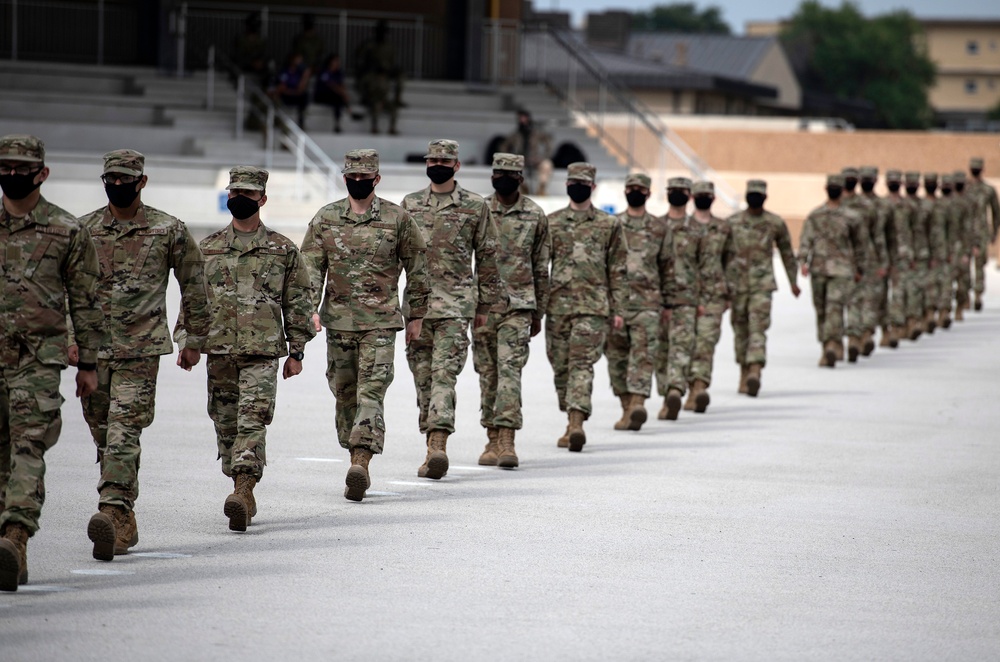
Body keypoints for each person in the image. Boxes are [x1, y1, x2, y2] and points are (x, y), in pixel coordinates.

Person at [75, 149, 210, 560]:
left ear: (142, 182)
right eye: (110, 180)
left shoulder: (168, 230)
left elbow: (195, 283)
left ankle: (113, 511)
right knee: (102, 433)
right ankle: (125, 514)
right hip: (94, 352)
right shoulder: (83, 230)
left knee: (122, 432)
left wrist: (194, 338)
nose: (117, 187)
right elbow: (68, 291)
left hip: (140, 350)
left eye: (125, 180)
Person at [176, 166, 316, 532]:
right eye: (234, 192)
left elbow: (298, 301)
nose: (239, 199)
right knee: (225, 426)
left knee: (252, 421)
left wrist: (297, 351)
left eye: (248, 194)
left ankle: (243, 488)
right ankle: (238, 481)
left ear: (262, 199)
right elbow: (192, 300)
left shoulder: (283, 250)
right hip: (219, 352)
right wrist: (187, 342)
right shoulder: (207, 249)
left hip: (262, 353)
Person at [0, 134, 104, 591]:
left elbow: (86, 301)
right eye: (5, 166)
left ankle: (15, 538)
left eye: (22, 168)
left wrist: (90, 363)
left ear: (42, 174)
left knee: (28, 448)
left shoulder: (67, 230)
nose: (12, 175)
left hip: (37, 360)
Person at [299, 150, 428, 502]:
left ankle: (361, 461)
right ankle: (353, 448)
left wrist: (415, 314)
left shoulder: (397, 219)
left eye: (365, 175)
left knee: (371, 392)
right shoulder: (326, 218)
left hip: (381, 323)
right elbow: (310, 267)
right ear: (345, 178)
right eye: (353, 175)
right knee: (344, 395)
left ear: (376, 178)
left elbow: (418, 267)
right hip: (338, 322)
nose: (359, 181)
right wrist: (309, 309)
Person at [401, 140, 500, 479]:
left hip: (457, 307)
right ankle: (431, 444)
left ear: (457, 166)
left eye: (444, 160)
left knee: (444, 374)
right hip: (417, 309)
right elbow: (395, 257)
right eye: (433, 159)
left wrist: (485, 304)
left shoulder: (474, 205)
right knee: (423, 378)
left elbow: (487, 256)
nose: (437, 164)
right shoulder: (410, 204)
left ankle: (438, 445)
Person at [472, 153, 549, 467]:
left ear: (520, 178)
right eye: (498, 172)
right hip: (483, 307)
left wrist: (538, 312)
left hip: (519, 306)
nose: (503, 178)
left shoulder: (534, 214)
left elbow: (541, 268)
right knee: (487, 374)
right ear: (492, 176)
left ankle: (507, 441)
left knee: (510, 373)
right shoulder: (479, 210)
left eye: (509, 173)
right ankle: (491, 439)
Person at [546, 162, 627, 451]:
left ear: (592, 187)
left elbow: (618, 269)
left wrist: (617, 309)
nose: (577, 186)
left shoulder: (609, 225)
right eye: (572, 182)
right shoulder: (552, 222)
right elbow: (540, 266)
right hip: (557, 307)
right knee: (560, 367)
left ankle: (577, 422)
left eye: (583, 182)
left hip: (593, 308)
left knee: (582, 365)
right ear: (567, 185)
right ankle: (570, 417)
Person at [606, 173, 669, 430]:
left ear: (648, 194)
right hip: (616, 304)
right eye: (631, 188)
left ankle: (637, 404)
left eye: (640, 189)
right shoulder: (612, 224)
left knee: (643, 357)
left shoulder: (658, 229)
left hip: (648, 304)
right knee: (617, 358)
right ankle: (625, 407)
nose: (635, 192)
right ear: (624, 192)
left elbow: (669, 268)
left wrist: (670, 305)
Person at [725, 180, 799, 395]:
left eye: (759, 194)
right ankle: (743, 371)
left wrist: (793, 281)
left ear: (765, 197)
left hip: (762, 285)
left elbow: (786, 252)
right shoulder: (732, 222)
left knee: (758, 328)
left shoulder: (774, 223)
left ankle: (755, 371)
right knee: (740, 330)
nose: (755, 198)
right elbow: (721, 254)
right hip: (737, 285)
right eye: (752, 194)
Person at [657, 177, 711, 421]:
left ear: (689, 196)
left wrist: (704, 301)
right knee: (660, 350)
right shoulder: (655, 227)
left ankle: (675, 390)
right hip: (656, 300)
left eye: (681, 192)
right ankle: (666, 391)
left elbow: (706, 269)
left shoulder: (698, 232)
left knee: (681, 347)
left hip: (686, 299)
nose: (676, 195)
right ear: (667, 194)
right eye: (673, 191)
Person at [798, 174, 866, 368]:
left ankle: (832, 345)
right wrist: (803, 261)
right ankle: (828, 345)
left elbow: (860, 245)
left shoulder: (852, 217)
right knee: (822, 309)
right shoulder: (816, 215)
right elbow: (806, 240)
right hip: (820, 270)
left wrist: (860, 268)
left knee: (833, 308)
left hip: (840, 271)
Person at [686, 181, 733, 410]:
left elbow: (731, 262)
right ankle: (684, 387)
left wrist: (729, 295)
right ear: (692, 198)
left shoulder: (723, 228)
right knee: (685, 344)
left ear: (713, 199)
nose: (703, 198)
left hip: (714, 294)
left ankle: (698, 388)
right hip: (684, 296)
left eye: (707, 195)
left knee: (705, 342)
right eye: (699, 195)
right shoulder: (681, 226)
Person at [841, 166, 884, 359]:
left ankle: (853, 338)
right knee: (865, 299)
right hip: (866, 257)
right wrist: (883, 259)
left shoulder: (837, 205)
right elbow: (878, 235)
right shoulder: (868, 206)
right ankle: (865, 334)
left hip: (843, 259)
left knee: (848, 300)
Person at [859, 166, 897, 347]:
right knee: (861, 299)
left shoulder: (885, 205)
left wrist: (891, 262)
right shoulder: (850, 204)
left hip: (877, 259)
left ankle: (880, 331)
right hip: (853, 260)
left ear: (875, 181)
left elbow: (891, 236)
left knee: (878, 297)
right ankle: (865, 333)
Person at [355, 20, 404, 135]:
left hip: (385, 76)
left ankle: (397, 101)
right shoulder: (369, 45)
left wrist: (387, 70)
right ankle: (374, 127)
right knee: (376, 105)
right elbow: (359, 58)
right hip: (371, 76)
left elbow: (392, 62)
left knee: (393, 107)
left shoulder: (389, 46)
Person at [882, 170, 915, 343]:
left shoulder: (908, 206)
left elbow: (917, 231)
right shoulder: (880, 205)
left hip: (903, 254)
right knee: (881, 293)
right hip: (883, 254)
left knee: (900, 292)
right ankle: (885, 329)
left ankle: (898, 327)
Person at [967, 157, 999, 309]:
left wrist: (994, 232)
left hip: (981, 232)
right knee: (963, 266)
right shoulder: (964, 188)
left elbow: (996, 212)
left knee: (979, 264)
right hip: (964, 233)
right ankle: (964, 296)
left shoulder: (988, 190)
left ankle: (978, 295)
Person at [501, 109, 554, 196]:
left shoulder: (536, 132)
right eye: (520, 118)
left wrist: (542, 157)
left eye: (524, 118)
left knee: (547, 165)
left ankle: (541, 189)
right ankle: (524, 188)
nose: (523, 120)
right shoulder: (516, 134)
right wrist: (512, 158)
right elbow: (504, 146)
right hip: (521, 160)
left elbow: (549, 143)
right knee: (512, 168)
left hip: (535, 159)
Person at [903, 171, 929, 339]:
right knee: (916, 289)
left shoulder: (899, 207)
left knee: (907, 290)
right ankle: (913, 321)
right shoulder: (925, 206)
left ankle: (911, 323)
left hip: (907, 253)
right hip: (918, 253)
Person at [314, 54, 357, 133]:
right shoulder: (324, 72)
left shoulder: (338, 73)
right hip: (322, 95)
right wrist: (343, 94)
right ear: (331, 62)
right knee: (338, 97)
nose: (338, 63)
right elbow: (331, 85)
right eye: (336, 61)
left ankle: (338, 123)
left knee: (338, 100)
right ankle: (350, 112)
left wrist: (344, 93)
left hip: (334, 96)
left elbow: (341, 85)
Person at [272, 53, 311, 129]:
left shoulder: (299, 73)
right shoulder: (284, 71)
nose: (300, 62)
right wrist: (293, 92)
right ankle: (276, 121)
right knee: (276, 98)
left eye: (301, 60)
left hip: (295, 95)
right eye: (298, 60)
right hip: (285, 95)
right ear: (292, 60)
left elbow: (300, 89)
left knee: (305, 96)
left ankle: (301, 122)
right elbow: (281, 88)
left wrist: (305, 77)